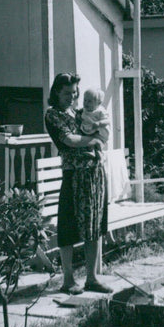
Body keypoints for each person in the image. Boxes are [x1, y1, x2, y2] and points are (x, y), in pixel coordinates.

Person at [44, 73, 112, 295]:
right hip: (74, 176)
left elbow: (101, 122)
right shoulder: (53, 115)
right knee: (68, 226)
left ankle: (92, 278)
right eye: (66, 93)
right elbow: (68, 140)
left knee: (94, 226)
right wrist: (94, 140)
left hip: (94, 174)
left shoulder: (78, 112)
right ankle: (68, 280)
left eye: (74, 93)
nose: (71, 97)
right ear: (56, 92)